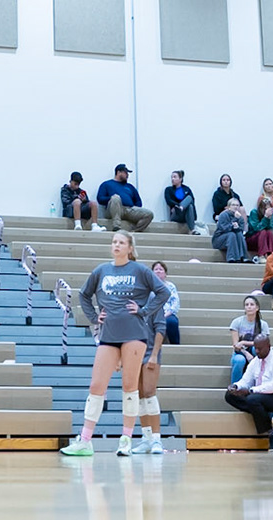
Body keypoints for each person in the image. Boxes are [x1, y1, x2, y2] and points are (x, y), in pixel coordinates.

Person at [61, 231, 163, 458]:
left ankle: (126, 439)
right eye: (114, 242)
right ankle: (85, 441)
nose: (117, 245)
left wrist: (144, 311)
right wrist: (93, 316)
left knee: (129, 386)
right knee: (96, 386)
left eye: (122, 242)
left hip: (134, 335)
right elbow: (84, 295)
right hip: (108, 335)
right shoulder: (101, 271)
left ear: (130, 248)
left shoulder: (140, 271)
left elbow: (162, 292)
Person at [133, 261, 181, 456]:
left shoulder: (154, 298)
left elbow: (161, 328)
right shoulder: (130, 301)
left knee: (149, 392)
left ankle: (156, 439)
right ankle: (146, 438)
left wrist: (154, 354)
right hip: (132, 353)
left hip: (150, 352)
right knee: (138, 395)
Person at [225, 333, 273, 448]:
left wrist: (250, 391)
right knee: (229, 396)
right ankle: (267, 414)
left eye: (260, 349)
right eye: (255, 348)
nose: (257, 351)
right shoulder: (255, 361)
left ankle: (271, 433)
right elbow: (246, 380)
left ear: (268, 346)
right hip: (261, 395)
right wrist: (236, 386)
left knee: (253, 399)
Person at [97, 164, 152, 233]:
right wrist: (111, 198)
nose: (127, 175)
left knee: (149, 214)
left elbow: (138, 201)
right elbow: (100, 199)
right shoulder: (106, 184)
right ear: (119, 172)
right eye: (125, 173)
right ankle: (116, 226)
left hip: (129, 210)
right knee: (116, 198)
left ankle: (135, 231)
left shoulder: (130, 186)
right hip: (114, 209)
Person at [230, 294, 268, 383]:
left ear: (257, 308)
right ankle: (236, 387)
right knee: (239, 360)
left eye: (252, 304)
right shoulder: (237, 322)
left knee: (256, 348)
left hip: (257, 353)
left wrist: (243, 342)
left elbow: (264, 344)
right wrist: (246, 353)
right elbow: (236, 345)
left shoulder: (263, 324)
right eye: (247, 305)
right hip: (240, 352)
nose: (249, 307)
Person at [213, 198, 249, 263]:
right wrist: (234, 222)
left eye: (237, 205)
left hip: (233, 239)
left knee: (239, 234)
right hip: (219, 239)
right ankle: (231, 257)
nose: (235, 207)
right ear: (229, 207)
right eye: (233, 205)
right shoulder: (223, 215)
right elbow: (224, 229)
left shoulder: (240, 217)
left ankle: (243, 257)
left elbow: (241, 230)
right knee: (231, 235)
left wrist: (237, 228)